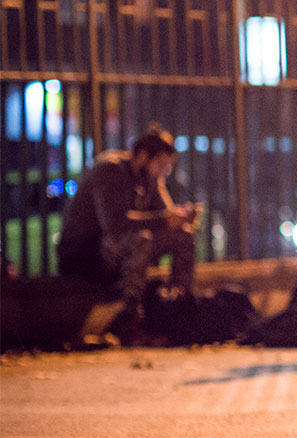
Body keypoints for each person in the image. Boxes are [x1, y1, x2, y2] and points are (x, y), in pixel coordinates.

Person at [56, 124, 199, 311]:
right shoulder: (111, 170)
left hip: (118, 247)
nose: (164, 171)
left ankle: (179, 303)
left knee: (183, 236)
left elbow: (165, 215)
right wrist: (165, 219)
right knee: (142, 239)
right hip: (86, 252)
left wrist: (179, 217)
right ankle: (129, 313)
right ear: (143, 156)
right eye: (161, 164)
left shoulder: (148, 178)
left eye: (168, 167)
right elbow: (116, 225)